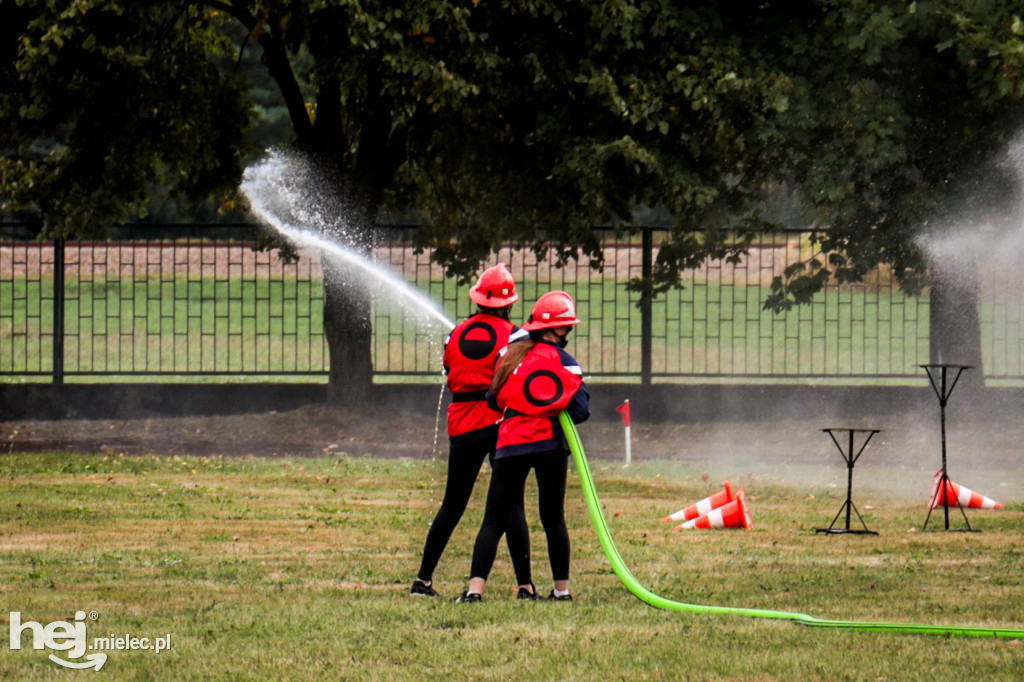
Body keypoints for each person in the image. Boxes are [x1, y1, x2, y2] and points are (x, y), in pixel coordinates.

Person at [410, 264, 539, 599]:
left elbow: (449, 368)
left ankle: (423, 581)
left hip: (462, 423)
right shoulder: (516, 336)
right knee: (512, 506)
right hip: (499, 424)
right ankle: (525, 585)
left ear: (479, 300)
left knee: (452, 504)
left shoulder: (456, 333)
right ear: (509, 304)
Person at [456, 290, 590, 603]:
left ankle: (474, 591)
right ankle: (561, 591)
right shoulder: (567, 364)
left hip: (511, 443)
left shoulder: (509, 356)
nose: (568, 333)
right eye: (567, 327)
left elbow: (492, 399)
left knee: (494, 517)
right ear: (556, 329)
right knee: (552, 516)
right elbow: (581, 412)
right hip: (551, 445)